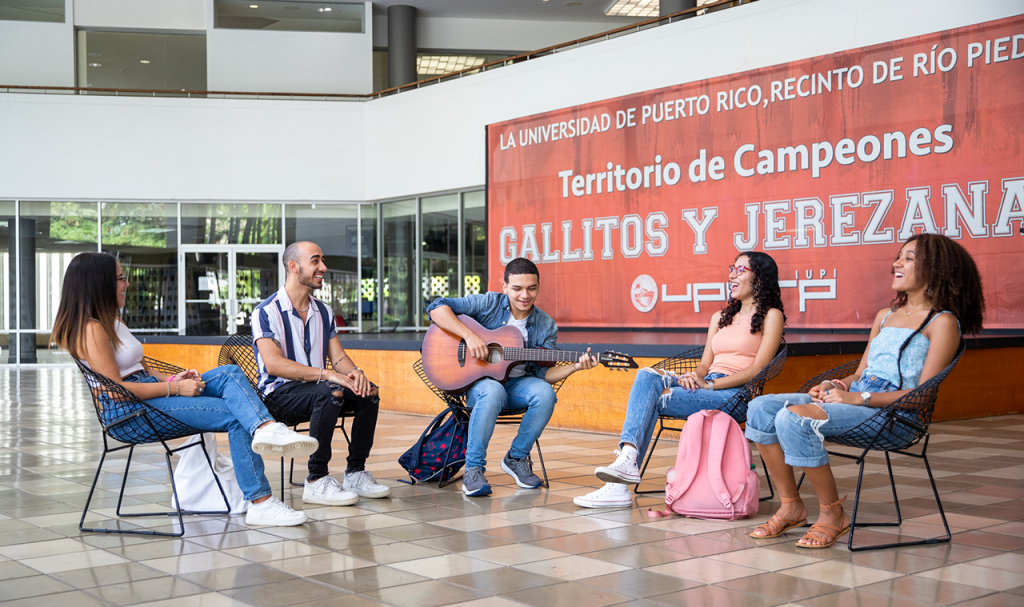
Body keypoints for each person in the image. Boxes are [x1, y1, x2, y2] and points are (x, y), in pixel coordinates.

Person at [746, 234, 984, 549]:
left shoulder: (942, 323)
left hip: (895, 417)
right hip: (856, 402)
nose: (896, 264)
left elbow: (923, 395)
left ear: (937, 269)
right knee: (761, 407)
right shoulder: (884, 316)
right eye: (899, 256)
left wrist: (860, 398)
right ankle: (792, 506)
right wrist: (837, 385)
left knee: (794, 419)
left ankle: (833, 514)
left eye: (908, 258)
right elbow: (861, 373)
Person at [52, 252, 318, 528]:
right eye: (121, 278)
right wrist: (176, 388)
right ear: (99, 284)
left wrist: (174, 379)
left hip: (151, 395)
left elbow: (145, 372)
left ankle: (265, 427)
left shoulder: (113, 322)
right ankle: (260, 502)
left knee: (229, 373)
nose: (127, 284)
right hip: (131, 412)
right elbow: (118, 391)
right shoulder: (91, 329)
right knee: (236, 416)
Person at [575, 252, 786, 509]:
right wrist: (694, 377)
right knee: (647, 375)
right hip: (707, 385)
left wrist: (710, 384)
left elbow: (757, 369)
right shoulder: (720, 318)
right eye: (732, 268)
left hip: (735, 395)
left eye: (741, 270)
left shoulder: (771, 316)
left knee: (655, 398)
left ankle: (619, 484)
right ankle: (627, 460)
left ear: (760, 277)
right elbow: (705, 365)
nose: (732, 274)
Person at [426, 257, 599, 497]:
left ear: (538, 286)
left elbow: (543, 374)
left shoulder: (546, 325)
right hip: (479, 386)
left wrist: (575, 367)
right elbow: (436, 308)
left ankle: (516, 458)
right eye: (517, 288)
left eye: (532, 288)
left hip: (517, 386)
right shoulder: (488, 303)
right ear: (505, 286)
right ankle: (474, 469)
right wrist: (470, 337)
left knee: (545, 393)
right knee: (493, 390)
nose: (524, 295)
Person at [252, 241, 389, 507]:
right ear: (294, 267)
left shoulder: (323, 311)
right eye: (315, 261)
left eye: (322, 261)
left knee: (368, 392)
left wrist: (356, 374)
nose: (323, 267)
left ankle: (355, 472)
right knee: (331, 391)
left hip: (319, 391)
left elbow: (338, 358)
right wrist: (326, 375)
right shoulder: (266, 312)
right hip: (278, 395)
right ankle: (316, 479)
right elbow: (274, 365)